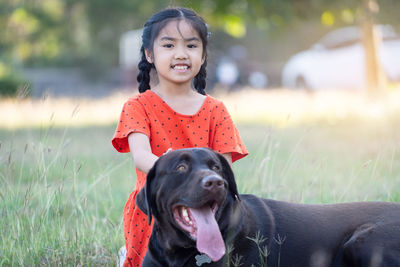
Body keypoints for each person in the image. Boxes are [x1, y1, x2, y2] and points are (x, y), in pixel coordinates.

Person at [112, 7, 248, 267]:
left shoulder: (215, 109)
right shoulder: (138, 106)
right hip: (158, 208)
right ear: (149, 54)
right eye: (169, 45)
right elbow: (141, 157)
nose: (181, 54)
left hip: (207, 205)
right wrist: (178, 176)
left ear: (203, 54)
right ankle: (127, 252)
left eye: (191, 45)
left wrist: (203, 184)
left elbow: (225, 165)